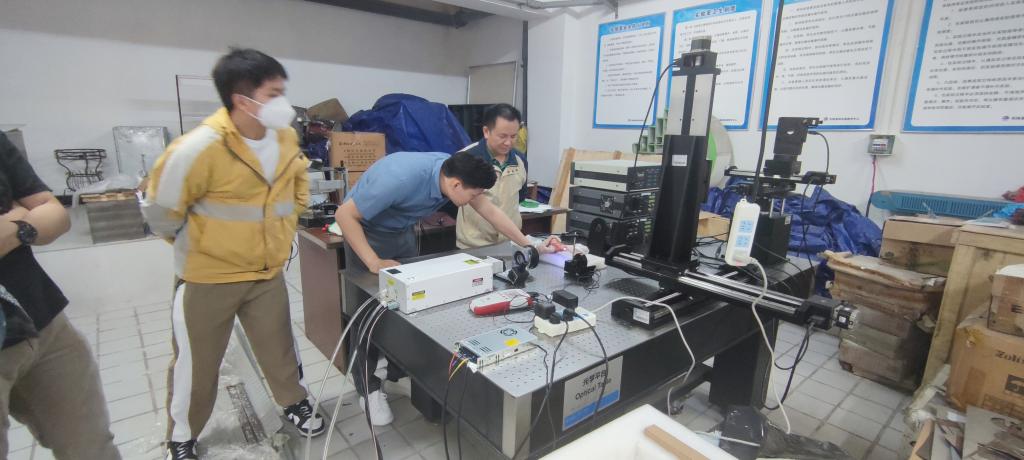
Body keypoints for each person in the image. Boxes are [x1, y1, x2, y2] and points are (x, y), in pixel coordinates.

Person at [142, 48, 323, 460]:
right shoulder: (198, 149)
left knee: (279, 348)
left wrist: (286, 226)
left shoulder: (284, 138)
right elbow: (161, 214)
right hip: (209, 278)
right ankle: (183, 435)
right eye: (274, 93)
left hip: (267, 273)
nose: (283, 102)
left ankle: (293, 401)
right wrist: (204, 248)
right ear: (243, 100)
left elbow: (297, 188)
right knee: (196, 364)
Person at [334, 150, 559, 425]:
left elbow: (489, 210)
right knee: (369, 311)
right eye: (474, 193)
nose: (476, 199)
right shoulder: (400, 177)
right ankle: (367, 388)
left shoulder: (455, 173)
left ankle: (395, 375)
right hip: (365, 234)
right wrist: (372, 261)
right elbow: (344, 215)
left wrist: (529, 244)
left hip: (401, 234)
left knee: (405, 310)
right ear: (455, 185)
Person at [0, 132, 121, 459]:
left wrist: (19, 228)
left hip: (41, 318)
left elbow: (54, 214)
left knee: (92, 445)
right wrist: (21, 217)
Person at [456, 104, 529, 249]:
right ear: (486, 131)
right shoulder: (466, 158)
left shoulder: (520, 161)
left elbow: (520, 197)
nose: (508, 142)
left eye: (513, 136)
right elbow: (455, 200)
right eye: (502, 136)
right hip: (474, 246)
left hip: (510, 243)